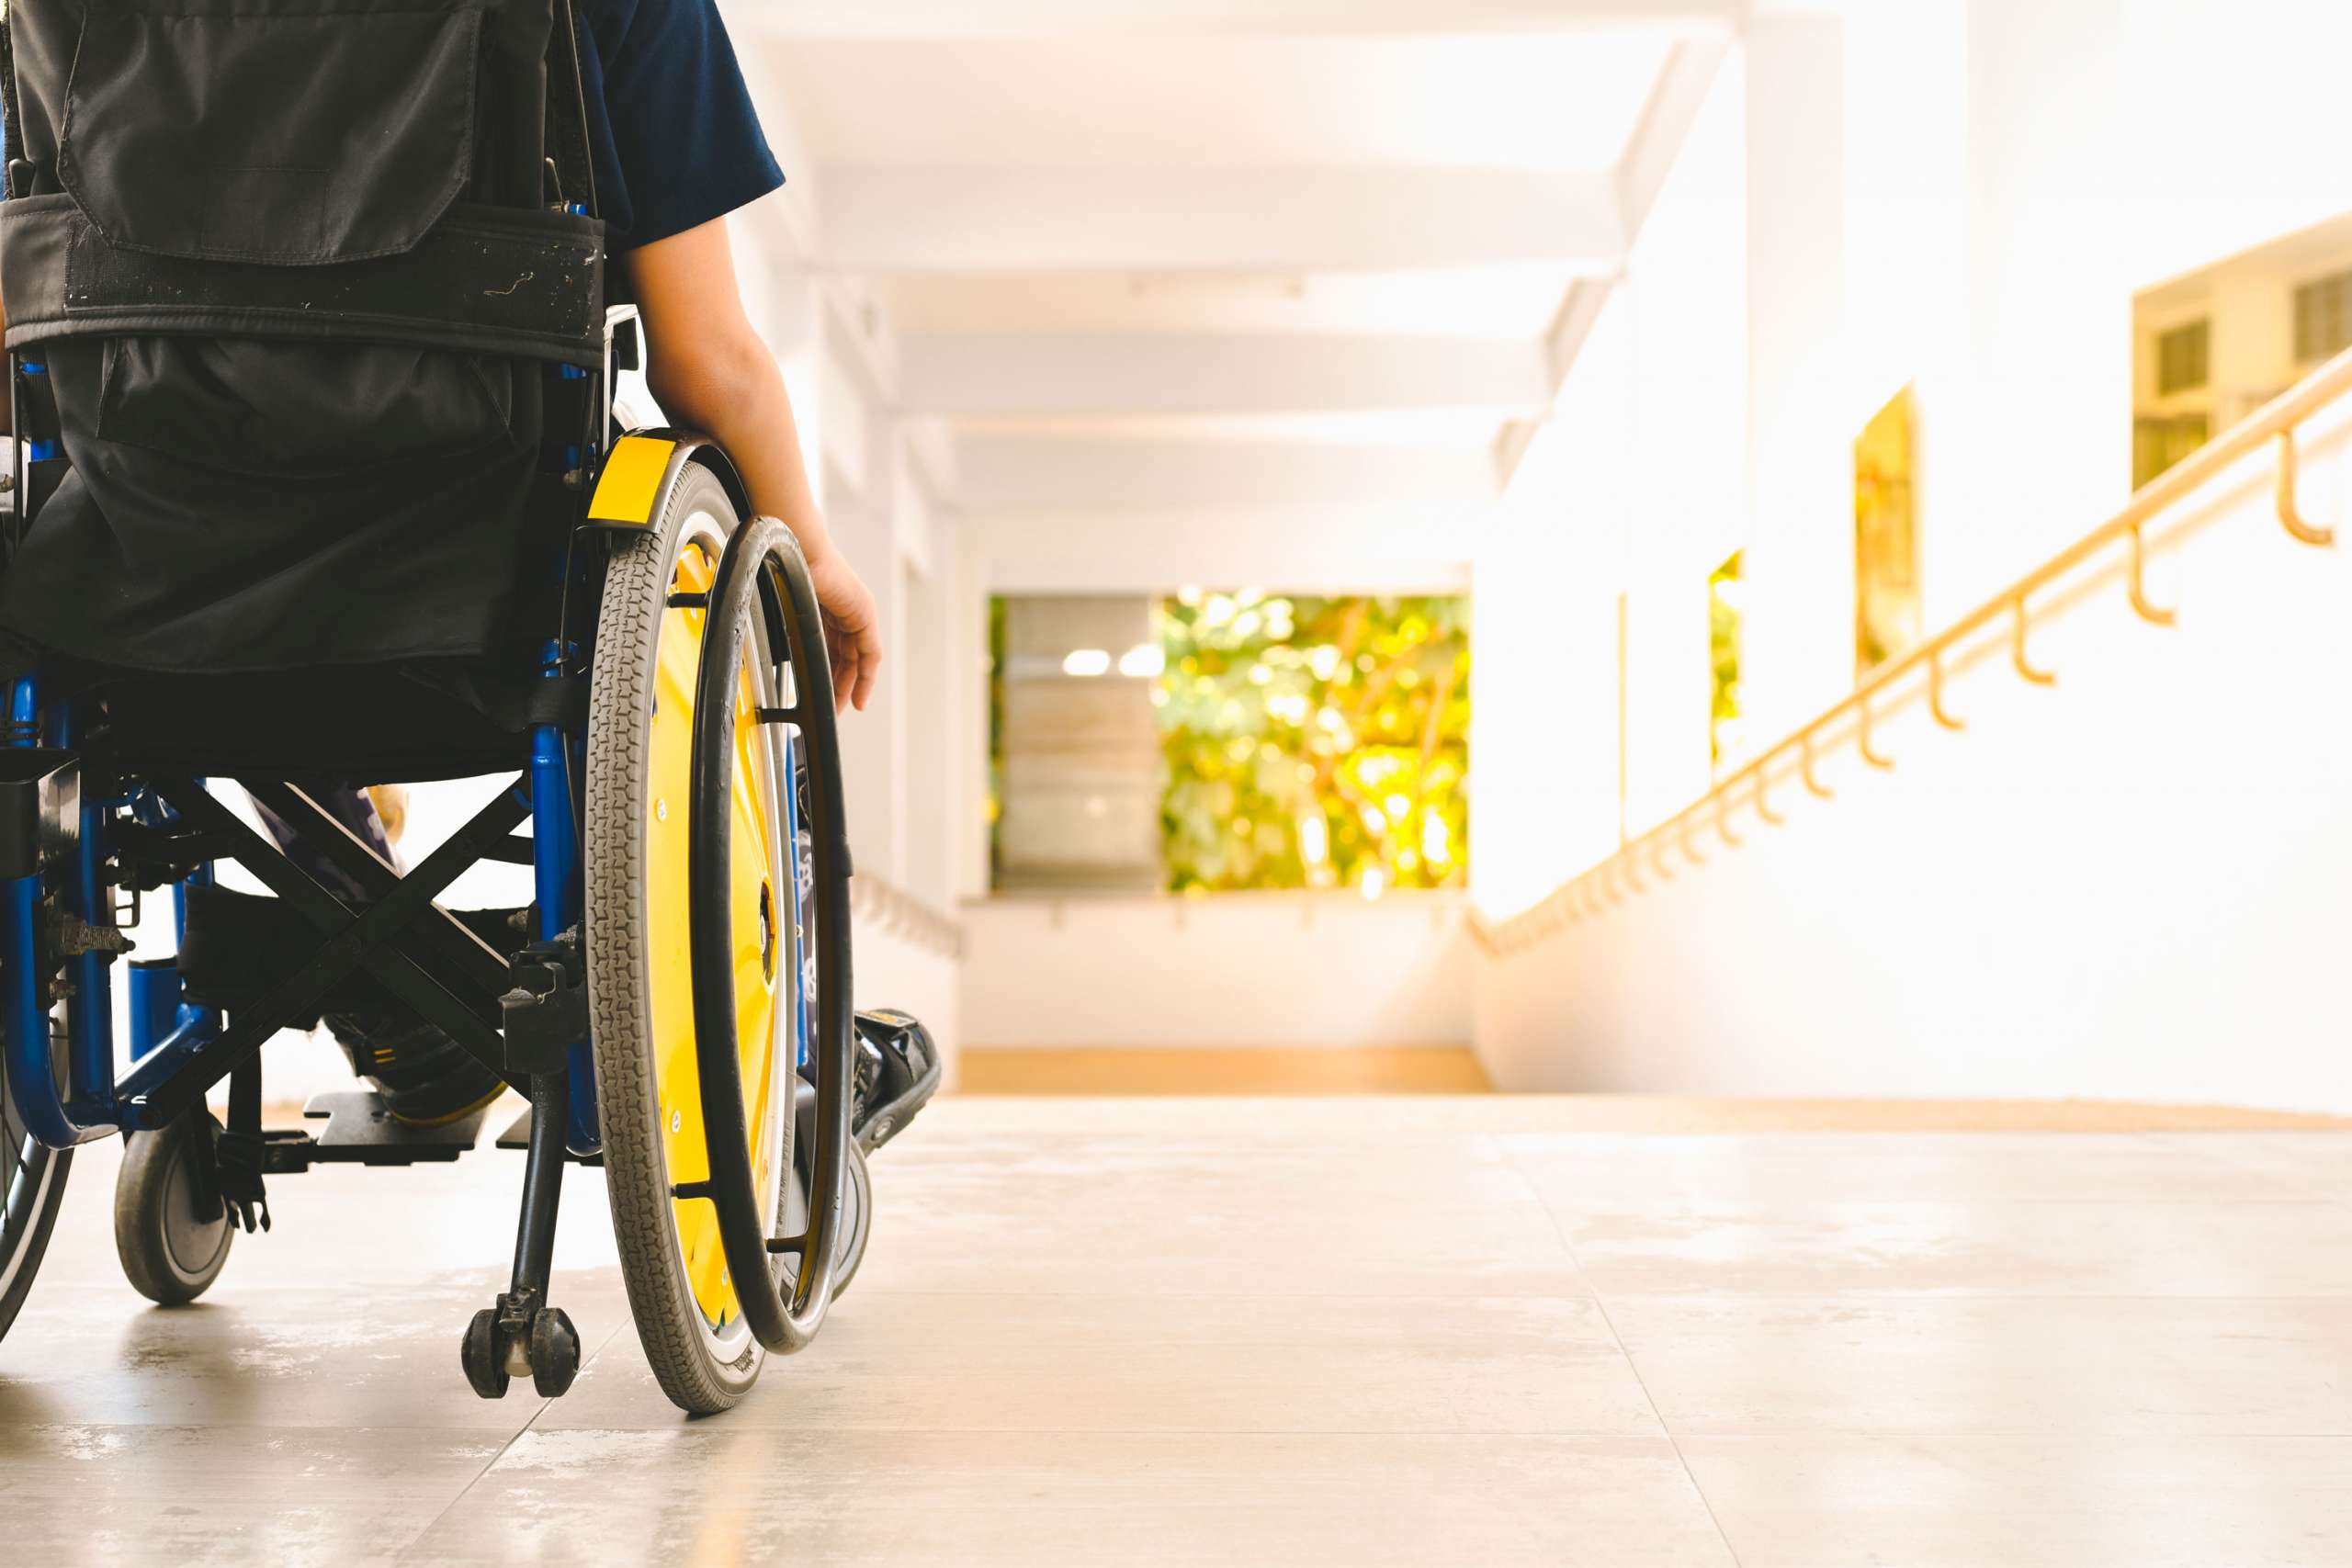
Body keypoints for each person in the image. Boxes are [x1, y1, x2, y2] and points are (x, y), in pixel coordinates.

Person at [0, 0, 936, 1139]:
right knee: (732, 591)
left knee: (215, 547)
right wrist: (817, 557)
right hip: (486, 588)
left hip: (143, 590)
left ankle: (389, 986)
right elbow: (709, 362)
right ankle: (775, 1039)